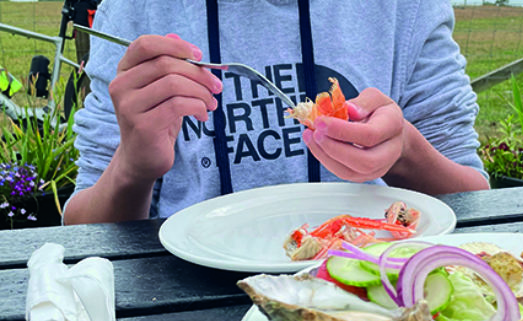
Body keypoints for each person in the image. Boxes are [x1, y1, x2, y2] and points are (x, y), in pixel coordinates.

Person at [63, 0, 490, 225]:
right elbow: (82, 227)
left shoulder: (404, 9)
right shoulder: (134, 9)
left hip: (373, 289)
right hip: (187, 301)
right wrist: (132, 168)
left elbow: (475, 201)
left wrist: (402, 153)